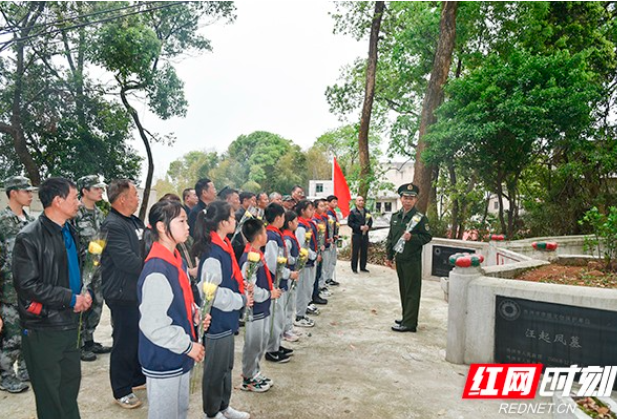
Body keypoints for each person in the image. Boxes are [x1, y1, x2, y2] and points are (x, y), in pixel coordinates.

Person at [13, 177, 93, 418]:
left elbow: (72, 270)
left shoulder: (70, 230)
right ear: (58, 201)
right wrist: (70, 298)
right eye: (74, 197)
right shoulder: (29, 237)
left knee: (69, 391)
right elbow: (26, 285)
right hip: (44, 328)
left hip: (70, 324)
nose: (78, 202)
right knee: (50, 399)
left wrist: (83, 292)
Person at [137, 200, 207, 419]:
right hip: (164, 358)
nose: (188, 227)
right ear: (161, 226)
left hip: (177, 354)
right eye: (182, 221)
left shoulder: (176, 260)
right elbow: (154, 325)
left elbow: (180, 301)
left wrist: (196, 314)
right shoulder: (157, 268)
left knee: (179, 411)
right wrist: (187, 346)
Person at [192, 201, 251, 419]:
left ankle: (224, 406)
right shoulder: (213, 253)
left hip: (227, 319)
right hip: (216, 321)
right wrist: (240, 299)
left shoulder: (223, 245)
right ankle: (211, 411)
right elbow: (210, 294)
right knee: (215, 370)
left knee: (226, 366)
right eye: (234, 217)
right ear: (224, 222)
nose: (236, 221)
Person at [101, 179, 146, 409]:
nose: (137, 198)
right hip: (121, 293)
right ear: (122, 199)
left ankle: (137, 378)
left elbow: (146, 246)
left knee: (137, 337)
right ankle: (121, 389)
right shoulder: (112, 225)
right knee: (124, 341)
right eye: (134, 194)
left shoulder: (134, 221)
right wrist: (153, 265)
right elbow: (126, 261)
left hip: (136, 291)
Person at [0, 176, 35, 393]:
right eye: (26, 191)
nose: (31, 194)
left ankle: (25, 369)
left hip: (29, 291)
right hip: (8, 293)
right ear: (13, 193)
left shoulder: (29, 222)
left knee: (27, 334)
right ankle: (5, 376)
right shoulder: (2, 222)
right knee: (11, 339)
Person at [238, 218, 280, 392]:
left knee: (261, 341)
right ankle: (247, 377)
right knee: (253, 342)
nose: (266, 234)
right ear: (257, 236)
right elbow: (250, 289)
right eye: (263, 231)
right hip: (254, 308)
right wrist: (270, 294)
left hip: (262, 307)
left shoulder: (257, 254)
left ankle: (255, 372)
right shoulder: (250, 258)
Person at [385, 183, 432, 333]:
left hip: (412, 260)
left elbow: (427, 237)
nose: (408, 200)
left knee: (412, 291)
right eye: (405, 197)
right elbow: (390, 238)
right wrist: (389, 256)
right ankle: (406, 317)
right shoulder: (395, 217)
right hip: (400, 259)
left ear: (415, 200)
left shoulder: (420, 219)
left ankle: (410, 324)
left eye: (411, 198)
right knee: (404, 290)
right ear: (400, 199)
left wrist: (412, 237)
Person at [74, 175, 111, 362]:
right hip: (81, 269)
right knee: (83, 306)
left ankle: (90, 340)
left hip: (98, 268)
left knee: (97, 304)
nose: (100, 191)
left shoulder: (99, 213)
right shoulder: (75, 214)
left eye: (101, 188)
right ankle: (79, 345)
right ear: (85, 190)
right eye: (96, 188)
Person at [263, 203, 296, 364]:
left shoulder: (276, 234)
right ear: (278, 218)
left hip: (280, 282)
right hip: (274, 283)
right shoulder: (271, 236)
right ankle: (271, 350)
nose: (284, 219)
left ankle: (276, 344)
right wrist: (288, 274)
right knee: (275, 318)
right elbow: (272, 264)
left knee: (280, 317)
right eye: (283, 216)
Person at [293, 200, 317, 328]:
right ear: (302, 211)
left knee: (308, 287)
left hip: (310, 261)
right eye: (309, 209)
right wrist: (312, 255)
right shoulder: (300, 226)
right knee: (302, 289)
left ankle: (303, 312)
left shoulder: (306, 224)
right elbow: (302, 246)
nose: (312, 212)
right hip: (305, 262)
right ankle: (299, 316)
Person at [281, 211, 301, 343]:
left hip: (291, 273)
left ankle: (289, 326)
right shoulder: (287, 238)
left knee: (291, 302)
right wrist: (297, 259)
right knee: (287, 303)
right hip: (287, 274)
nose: (297, 223)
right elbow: (286, 258)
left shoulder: (290, 236)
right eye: (295, 221)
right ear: (289, 223)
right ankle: (285, 330)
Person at [347, 196, 373, 274]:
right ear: (356, 202)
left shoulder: (367, 211)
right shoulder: (353, 212)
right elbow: (350, 223)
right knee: (355, 251)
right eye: (359, 200)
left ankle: (363, 267)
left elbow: (370, 221)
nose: (361, 202)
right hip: (356, 234)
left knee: (364, 251)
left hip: (365, 234)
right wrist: (359, 227)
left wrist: (368, 226)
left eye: (362, 200)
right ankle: (354, 268)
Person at [324, 195, 340, 287]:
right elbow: (330, 227)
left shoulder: (333, 212)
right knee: (329, 260)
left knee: (332, 259)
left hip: (334, 238)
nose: (335, 204)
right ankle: (327, 278)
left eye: (336, 202)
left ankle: (329, 277)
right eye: (333, 202)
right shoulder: (329, 213)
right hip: (330, 239)